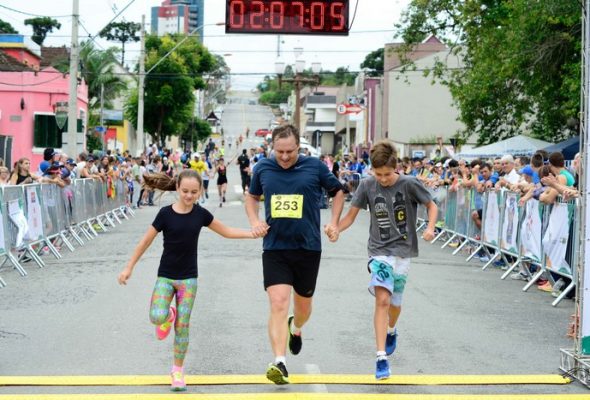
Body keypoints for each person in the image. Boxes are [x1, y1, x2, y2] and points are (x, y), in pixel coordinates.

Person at [118, 169, 266, 391]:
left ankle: (177, 371)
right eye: (185, 191)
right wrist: (129, 267)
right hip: (166, 276)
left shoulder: (201, 214)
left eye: (194, 192)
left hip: (188, 279)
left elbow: (226, 231)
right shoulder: (165, 214)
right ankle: (169, 315)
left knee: (183, 327)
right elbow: (145, 242)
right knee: (156, 316)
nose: (189, 195)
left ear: (200, 191)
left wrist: (252, 233)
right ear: (177, 188)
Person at [245, 124, 345, 385]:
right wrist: (255, 221)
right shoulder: (263, 168)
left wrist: (334, 223)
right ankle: (280, 362)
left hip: (307, 247)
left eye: (290, 151)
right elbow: (252, 196)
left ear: (298, 147)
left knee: (302, 308)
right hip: (275, 247)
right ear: (272, 148)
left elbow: (338, 191)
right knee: (278, 303)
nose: (285, 156)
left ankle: (296, 327)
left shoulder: (315, 166)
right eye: (279, 151)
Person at [333, 140, 437, 380]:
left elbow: (431, 206)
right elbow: (350, 215)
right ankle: (381, 358)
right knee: (382, 299)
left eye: (387, 174)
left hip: (403, 251)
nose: (382, 179)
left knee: (395, 303)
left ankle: (392, 329)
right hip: (378, 250)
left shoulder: (409, 184)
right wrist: (336, 228)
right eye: (378, 174)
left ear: (396, 167)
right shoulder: (367, 185)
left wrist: (430, 227)